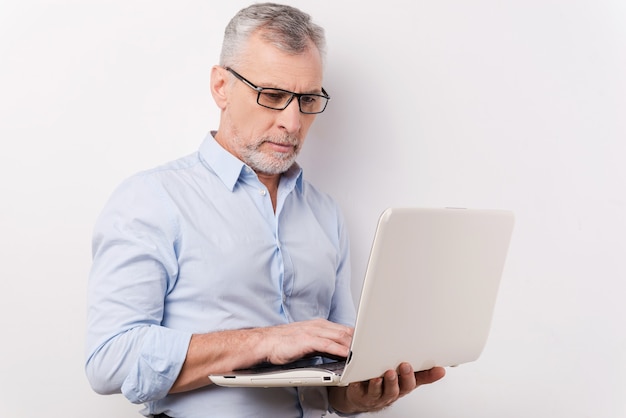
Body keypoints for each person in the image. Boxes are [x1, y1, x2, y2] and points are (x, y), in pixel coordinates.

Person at [85, 3, 445, 417]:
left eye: (307, 99)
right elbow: (108, 359)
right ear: (221, 86)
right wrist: (264, 341)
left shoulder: (326, 214)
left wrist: (359, 395)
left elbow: (335, 377)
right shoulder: (151, 198)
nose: (292, 122)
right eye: (272, 96)